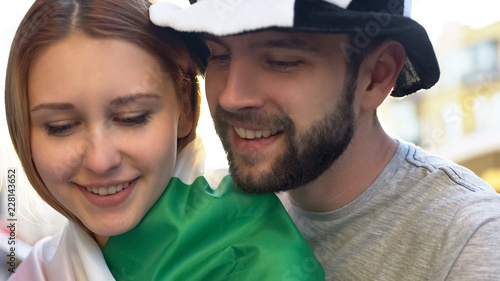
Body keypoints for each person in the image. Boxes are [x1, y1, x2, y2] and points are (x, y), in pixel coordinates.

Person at [150, 0, 500, 280]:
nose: (230, 96)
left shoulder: (469, 242)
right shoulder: (211, 211)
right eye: (218, 55)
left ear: (376, 76)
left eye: (281, 61)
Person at [5, 0, 324, 280]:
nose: (100, 160)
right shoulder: (42, 268)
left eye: (132, 118)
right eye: (61, 127)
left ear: (185, 106)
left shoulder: (255, 253)